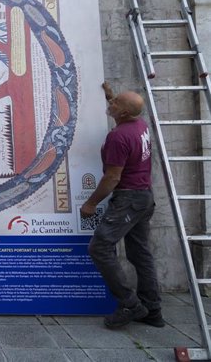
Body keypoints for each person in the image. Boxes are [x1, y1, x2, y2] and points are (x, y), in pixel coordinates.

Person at [80, 83, 163, 329]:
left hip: (128, 199)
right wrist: (110, 95)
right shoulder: (139, 124)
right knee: (140, 253)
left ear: (124, 113)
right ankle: (153, 310)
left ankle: (130, 303)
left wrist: (91, 203)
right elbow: (124, 106)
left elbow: (113, 178)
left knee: (100, 247)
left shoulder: (118, 137)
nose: (111, 104)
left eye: (114, 103)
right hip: (143, 197)